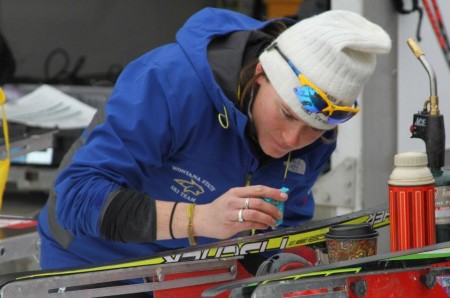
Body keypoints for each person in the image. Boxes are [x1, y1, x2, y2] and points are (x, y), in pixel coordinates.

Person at [37, 6, 391, 289]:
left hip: (194, 272)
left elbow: (282, 229)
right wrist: (198, 218)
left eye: (313, 128)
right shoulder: (169, 82)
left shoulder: (319, 137)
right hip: (93, 263)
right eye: (285, 114)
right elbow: (76, 197)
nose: (292, 140)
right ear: (259, 74)